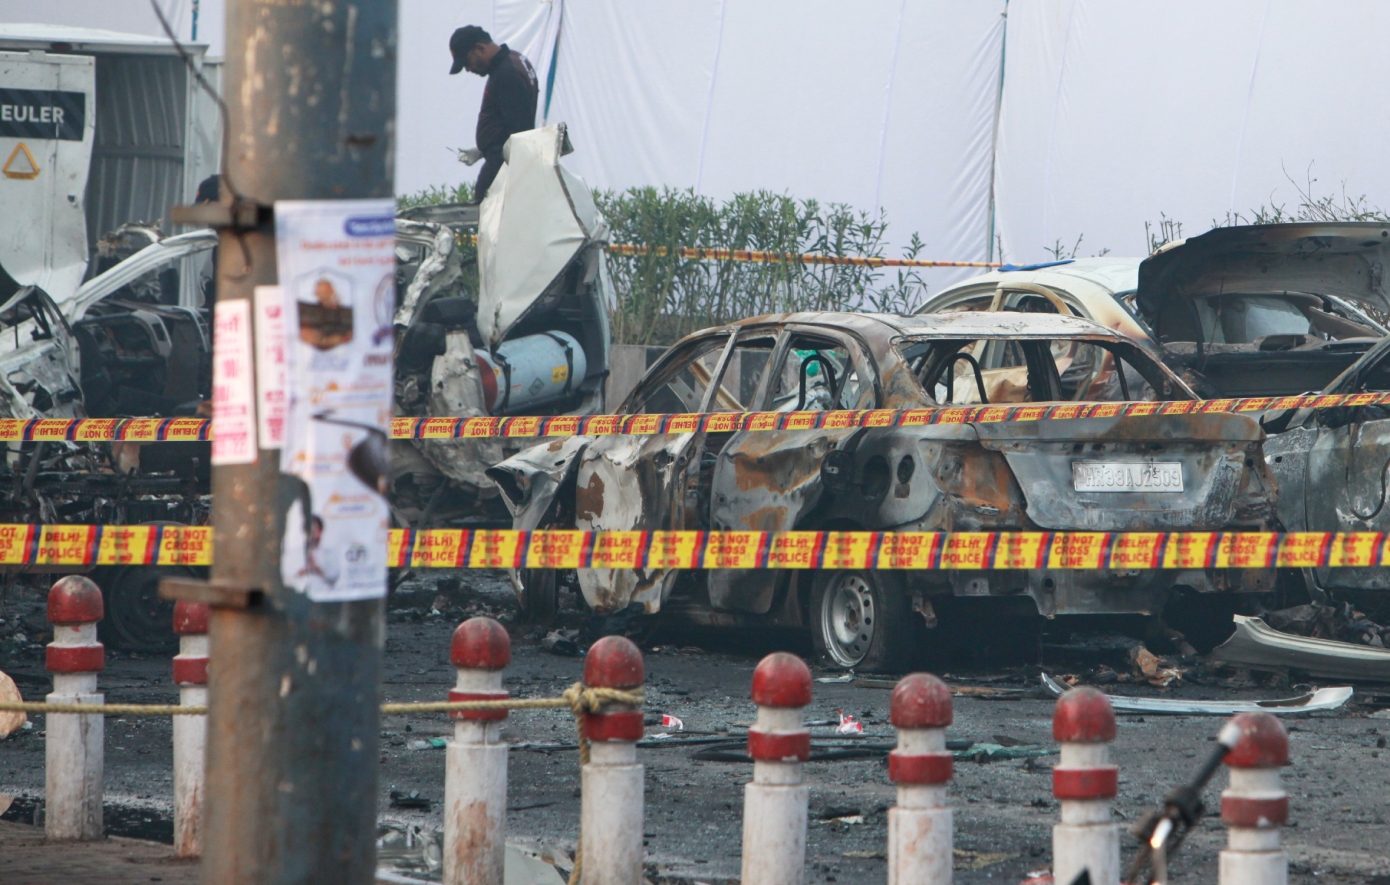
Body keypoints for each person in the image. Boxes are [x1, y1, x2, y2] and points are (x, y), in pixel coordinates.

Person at [448, 25, 538, 201]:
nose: (468, 69)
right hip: (505, 161)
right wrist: (483, 149)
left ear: (480, 48)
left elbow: (519, 132)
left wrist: (495, 152)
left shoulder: (506, 73)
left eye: (467, 62)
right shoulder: (515, 60)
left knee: (489, 220)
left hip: (504, 166)